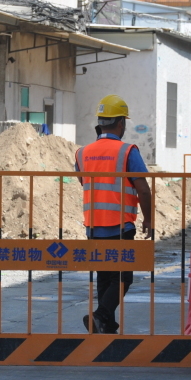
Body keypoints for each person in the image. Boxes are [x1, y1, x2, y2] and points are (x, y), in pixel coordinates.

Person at [75, 95, 153, 334]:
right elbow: (142, 188)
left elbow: (82, 181)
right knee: (123, 278)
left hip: (93, 226)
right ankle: (100, 316)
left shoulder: (82, 153)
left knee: (105, 276)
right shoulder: (127, 151)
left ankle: (105, 324)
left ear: (100, 123)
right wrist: (148, 219)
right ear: (121, 123)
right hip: (120, 226)